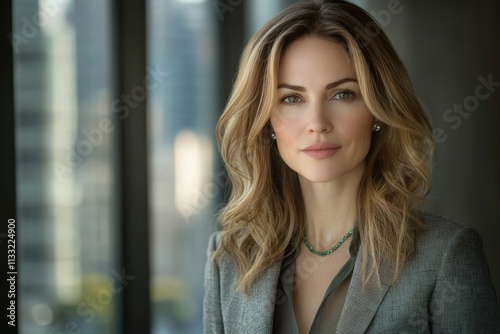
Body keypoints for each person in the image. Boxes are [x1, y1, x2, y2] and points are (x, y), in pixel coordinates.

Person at [203, 0, 500, 333]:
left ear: (378, 109)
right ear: (266, 120)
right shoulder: (229, 257)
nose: (317, 123)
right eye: (292, 98)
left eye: (342, 94)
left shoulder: (447, 256)